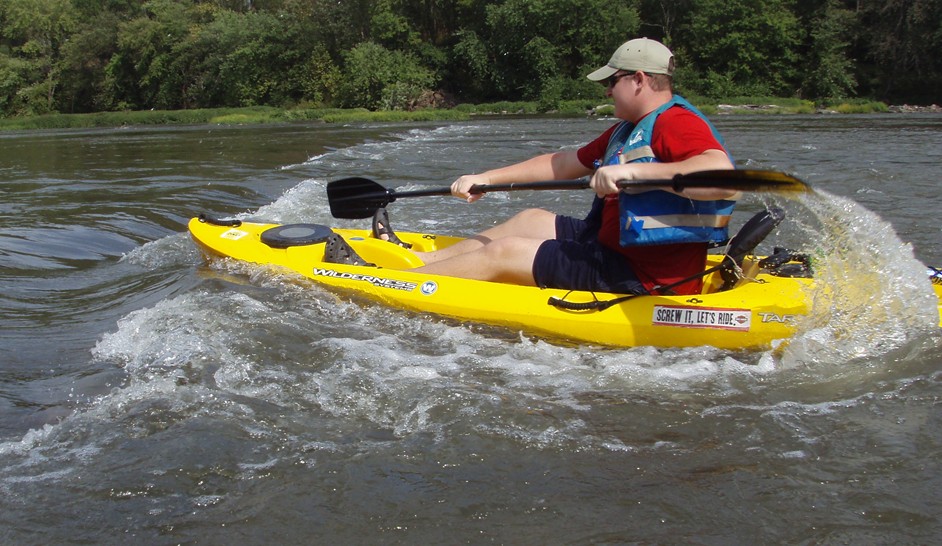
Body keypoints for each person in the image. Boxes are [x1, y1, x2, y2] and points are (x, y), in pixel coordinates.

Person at [376, 38, 736, 295]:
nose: (607, 91)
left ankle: (398, 287)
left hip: (643, 275)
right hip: (611, 245)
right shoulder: (629, 128)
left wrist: (634, 172)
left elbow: (722, 178)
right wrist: (485, 179)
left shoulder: (676, 122)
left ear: (639, 79)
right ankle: (422, 263)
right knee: (529, 218)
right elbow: (562, 164)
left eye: (612, 82)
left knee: (506, 251)